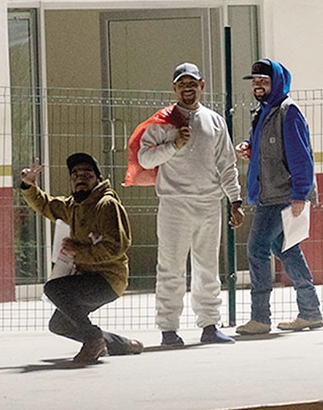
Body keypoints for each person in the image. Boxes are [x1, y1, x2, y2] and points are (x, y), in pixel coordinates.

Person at [138, 62, 244, 347]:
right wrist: (173, 146)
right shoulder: (162, 122)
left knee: (208, 268)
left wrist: (235, 199)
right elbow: (145, 159)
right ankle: (168, 330)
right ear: (174, 88)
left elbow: (226, 163)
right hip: (174, 205)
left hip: (210, 204)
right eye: (182, 83)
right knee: (170, 268)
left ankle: (210, 325)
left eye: (192, 83)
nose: (188, 88)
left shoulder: (215, 121)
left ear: (202, 85)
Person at [19, 153, 142, 363]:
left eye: (87, 174)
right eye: (75, 175)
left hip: (108, 280)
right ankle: (120, 343)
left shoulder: (107, 205)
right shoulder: (73, 206)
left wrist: (78, 252)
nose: (80, 178)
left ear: (98, 179)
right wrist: (29, 185)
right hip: (87, 277)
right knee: (59, 324)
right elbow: (46, 205)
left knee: (54, 289)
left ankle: (93, 339)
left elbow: (116, 247)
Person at [233, 59, 323, 335]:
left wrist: (300, 194)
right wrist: (250, 146)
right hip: (269, 193)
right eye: (255, 81)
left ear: (277, 82)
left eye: (264, 80)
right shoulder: (263, 111)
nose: (258, 85)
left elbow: (301, 157)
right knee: (286, 249)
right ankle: (310, 312)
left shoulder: (288, 111)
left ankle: (260, 318)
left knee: (257, 248)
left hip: (281, 195)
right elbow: (268, 144)